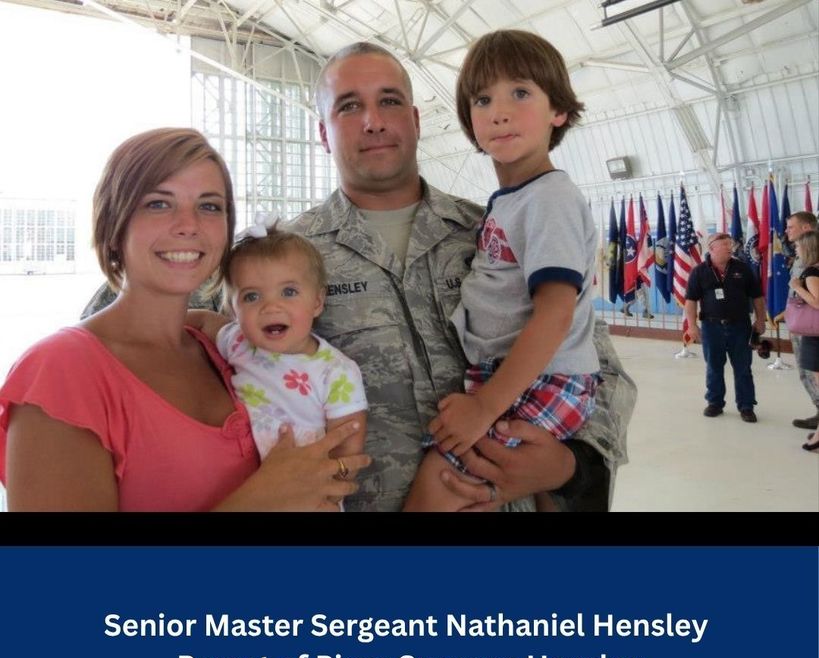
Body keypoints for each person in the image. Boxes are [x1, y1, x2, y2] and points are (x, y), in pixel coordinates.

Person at [288, 41, 636, 512]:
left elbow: (601, 369)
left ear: (415, 119)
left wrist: (569, 466)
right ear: (323, 133)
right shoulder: (286, 259)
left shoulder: (492, 231)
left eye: (389, 101)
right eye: (349, 106)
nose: (373, 120)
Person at [0, 128, 368, 511]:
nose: (188, 224)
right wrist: (259, 500)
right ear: (113, 225)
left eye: (209, 206)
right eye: (159, 204)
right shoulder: (61, 372)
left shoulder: (224, 349)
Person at [406, 29, 600, 513]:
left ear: (558, 111)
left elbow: (555, 315)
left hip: (544, 377)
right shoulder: (511, 201)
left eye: (521, 92)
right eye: (482, 98)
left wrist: (485, 406)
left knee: (443, 480)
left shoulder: (549, 197)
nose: (499, 111)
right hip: (511, 375)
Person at [187, 220, 367, 479]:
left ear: (317, 301)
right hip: (236, 486)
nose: (271, 307)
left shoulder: (336, 371)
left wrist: (328, 489)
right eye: (251, 296)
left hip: (303, 492)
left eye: (289, 291)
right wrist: (159, 323)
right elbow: (203, 320)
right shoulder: (238, 340)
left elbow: (348, 444)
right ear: (232, 311)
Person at [684, 232, 766, 423]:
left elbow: (757, 297)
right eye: (725, 245)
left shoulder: (743, 269)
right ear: (712, 248)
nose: (730, 248)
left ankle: (746, 406)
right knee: (714, 366)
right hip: (711, 327)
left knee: (743, 367)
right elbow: (691, 301)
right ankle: (715, 402)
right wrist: (692, 326)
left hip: (740, 326)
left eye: (730, 245)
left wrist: (761, 320)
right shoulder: (699, 272)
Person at [783, 211, 819, 431]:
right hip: (802, 318)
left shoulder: (813, 260)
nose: (787, 231)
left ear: (806, 228)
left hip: (812, 324)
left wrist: (797, 289)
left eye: (791, 227)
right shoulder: (801, 254)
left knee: (811, 370)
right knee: (808, 371)